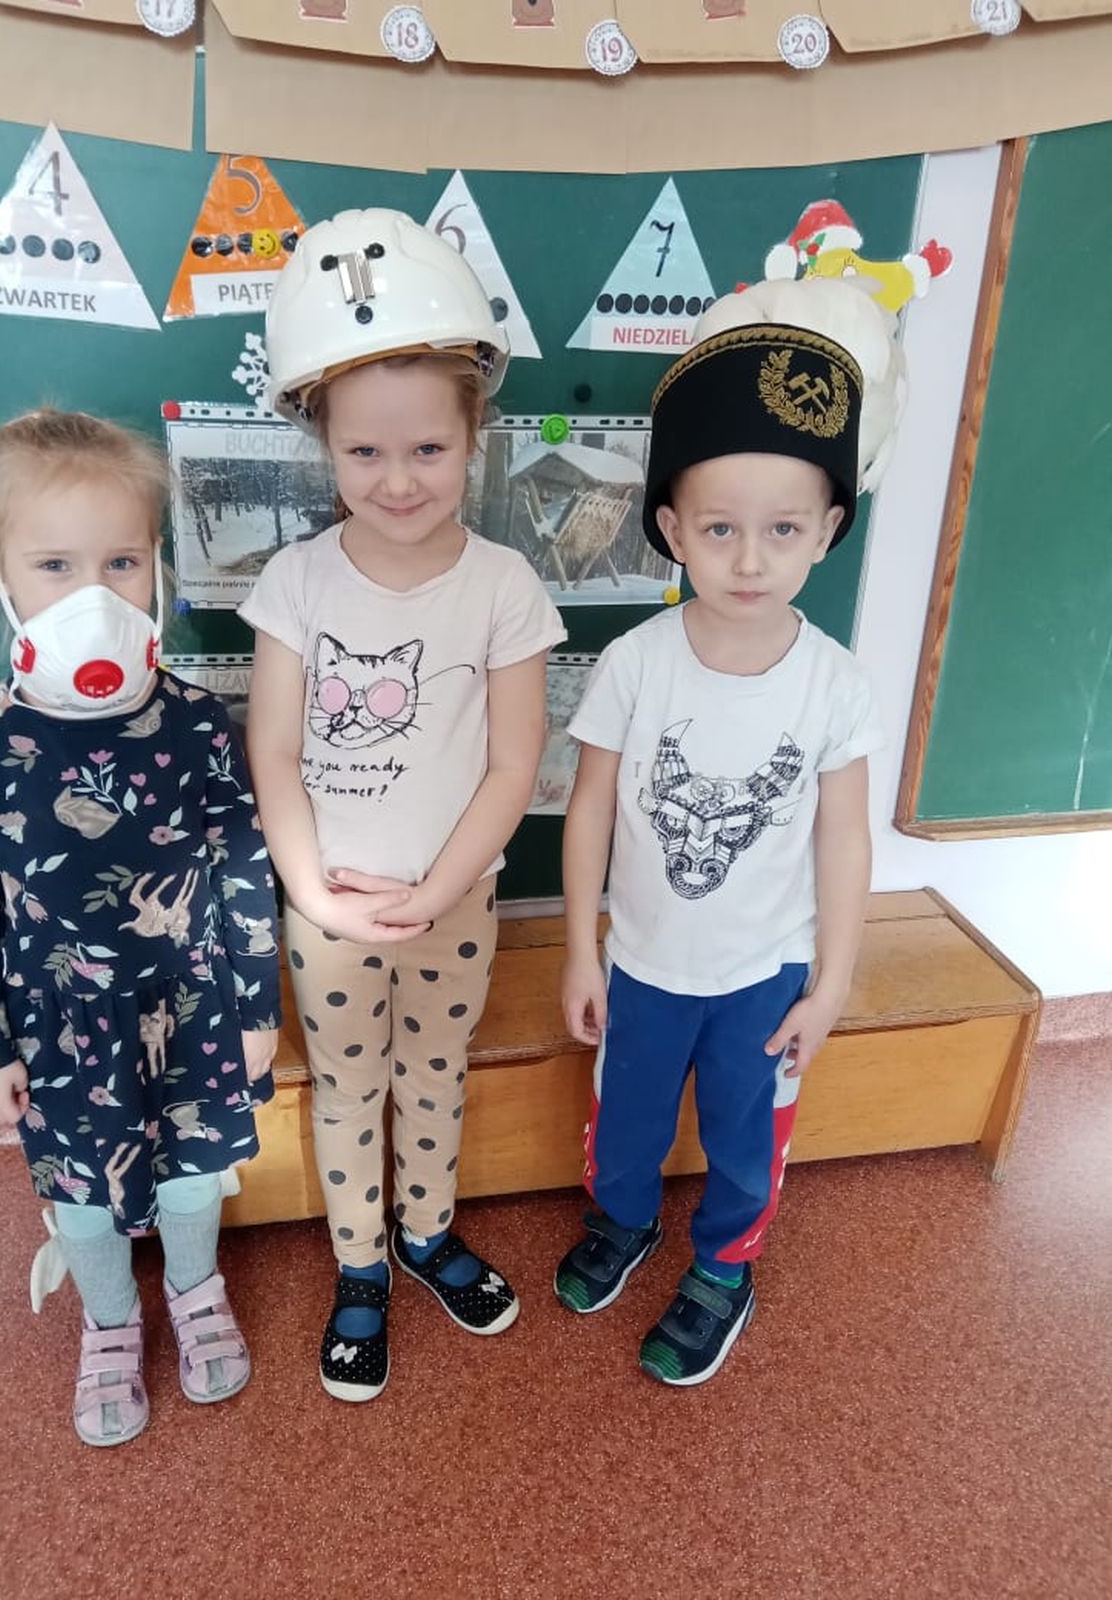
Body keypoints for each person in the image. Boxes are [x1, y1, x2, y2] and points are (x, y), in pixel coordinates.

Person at [555, 278, 906, 1386]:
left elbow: (844, 841)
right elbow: (591, 804)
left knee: (747, 1135)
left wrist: (832, 983)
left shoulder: (835, 685)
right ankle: (623, 1220)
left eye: (783, 529)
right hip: (643, 963)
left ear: (828, 530)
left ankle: (725, 1265)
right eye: (719, 529)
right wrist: (580, 950)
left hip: (765, 973)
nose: (749, 559)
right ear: (671, 529)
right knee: (626, 1118)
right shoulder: (635, 664)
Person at [242, 209, 566, 1402]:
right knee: (347, 1088)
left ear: (474, 437)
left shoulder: (504, 585)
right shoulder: (296, 580)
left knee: (435, 1076)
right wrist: (315, 891)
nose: (397, 479)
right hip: (327, 907)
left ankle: (426, 1234)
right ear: (324, 444)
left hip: (455, 900)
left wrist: (435, 889)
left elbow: (515, 763)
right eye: (364, 451)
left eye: (428, 448)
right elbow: (274, 749)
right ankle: (360, 1266)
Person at [0, 409, 282, 1445]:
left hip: (190, 1005)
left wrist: (256, 1008)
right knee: (83, 1193)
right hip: (59, 1023)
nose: (95, 596)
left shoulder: (194, 718)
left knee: (193, 1171)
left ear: (155, 563)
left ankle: (196, 1290)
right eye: (55, 565)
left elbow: (242, 866)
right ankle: (111, 1318)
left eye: (120, 562)